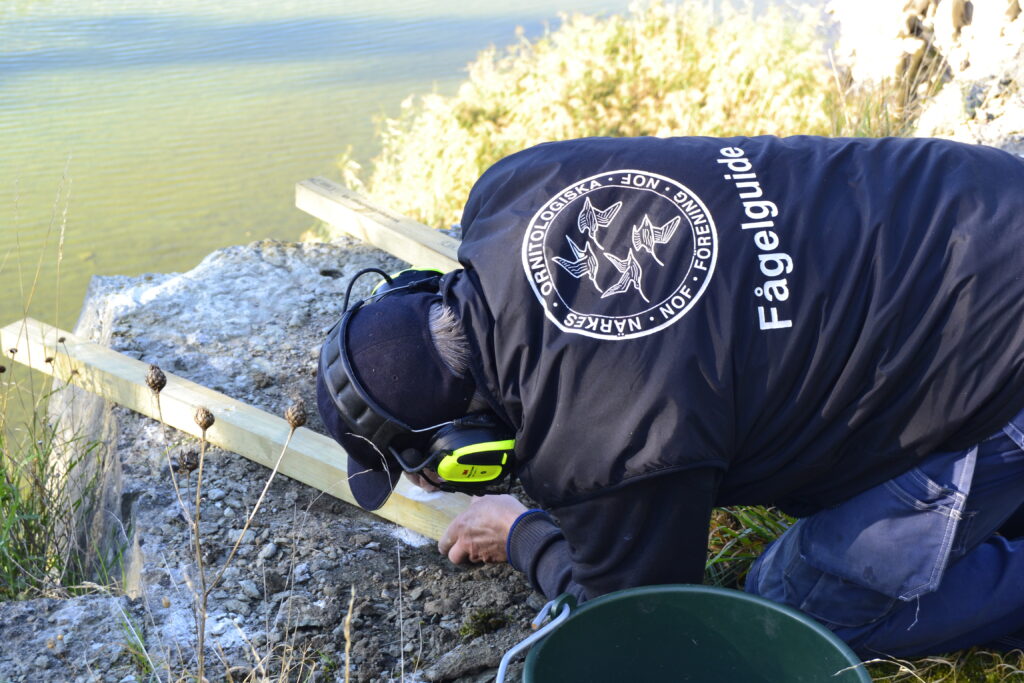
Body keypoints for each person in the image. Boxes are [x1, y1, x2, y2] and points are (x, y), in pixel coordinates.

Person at [315, 135, 1024, 659]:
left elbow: (650, 623)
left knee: (792, 615)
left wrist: (524, 529)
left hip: (998, 367)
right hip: (987, 201)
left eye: (430, 468)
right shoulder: (513, 187)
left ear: (468, 453)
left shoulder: (604, 448)